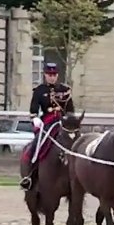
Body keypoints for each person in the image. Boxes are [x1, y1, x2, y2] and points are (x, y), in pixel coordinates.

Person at [20, 62, 75, 190]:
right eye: (49, 74)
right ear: (45, 75)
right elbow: (33, 110)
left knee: (76, 141)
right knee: (38, 143)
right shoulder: (40, 90)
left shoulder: (64, 90)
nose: (52, 77)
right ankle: (29, 174)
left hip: (63, 122)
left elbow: (70, 110)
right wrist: (35, 119)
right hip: (48, 122)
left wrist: (70, 120)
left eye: (54, 74)